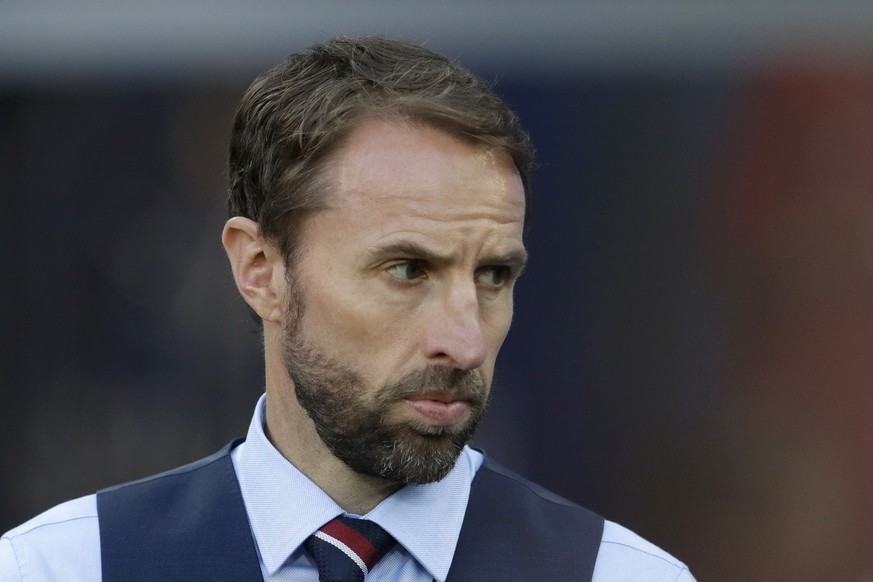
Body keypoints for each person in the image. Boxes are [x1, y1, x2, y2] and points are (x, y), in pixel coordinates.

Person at [0, 36, 694, 581]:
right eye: (405, 269)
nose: (464, 342)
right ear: (260, 271)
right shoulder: (66, 569)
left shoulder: (618, 576)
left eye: (491, 275)